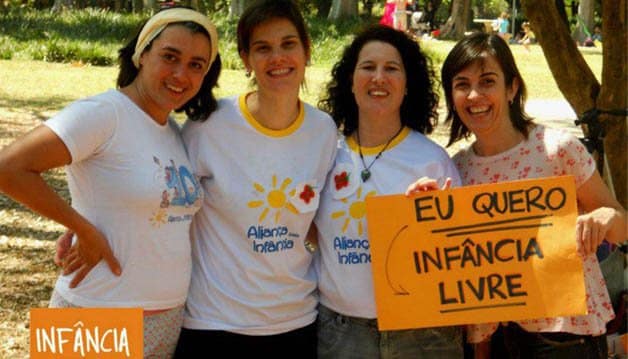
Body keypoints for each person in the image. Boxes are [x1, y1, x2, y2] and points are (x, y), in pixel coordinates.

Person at [0, 7, 221, 357]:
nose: (181, 73)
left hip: (166, 316)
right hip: (94, 312)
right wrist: (82, 228)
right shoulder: (104, 113)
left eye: (197, 64)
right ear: (142, 54)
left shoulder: (174, 131)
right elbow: (8, 168)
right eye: (170, 56)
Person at [439, 32, 626, 358]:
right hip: (494, 339)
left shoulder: (557, 150)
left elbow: (622, 225)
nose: (474, 94)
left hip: (563, 339)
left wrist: (606, 217)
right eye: (461, 84)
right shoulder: (457, 170)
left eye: (487, 81)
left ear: (511, 88)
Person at [173, 0, 337, 357]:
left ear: (307, 51)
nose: (278, 57)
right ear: (246, 59)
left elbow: (319, 221)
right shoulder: (208, 126)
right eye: (263, 48)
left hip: (296, 324)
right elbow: (159, 195)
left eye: (288, 44)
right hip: (213, 325)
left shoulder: (323, 130)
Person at [314, 24, 463, 358]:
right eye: (368, 67)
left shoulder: (432, 160)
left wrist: (431, 221)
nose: (378, 77)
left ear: (407, 85)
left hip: (423, 333)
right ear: (350, 82)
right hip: (342, 333)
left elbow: (458, 253)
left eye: (391, 69)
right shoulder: (324, 154)